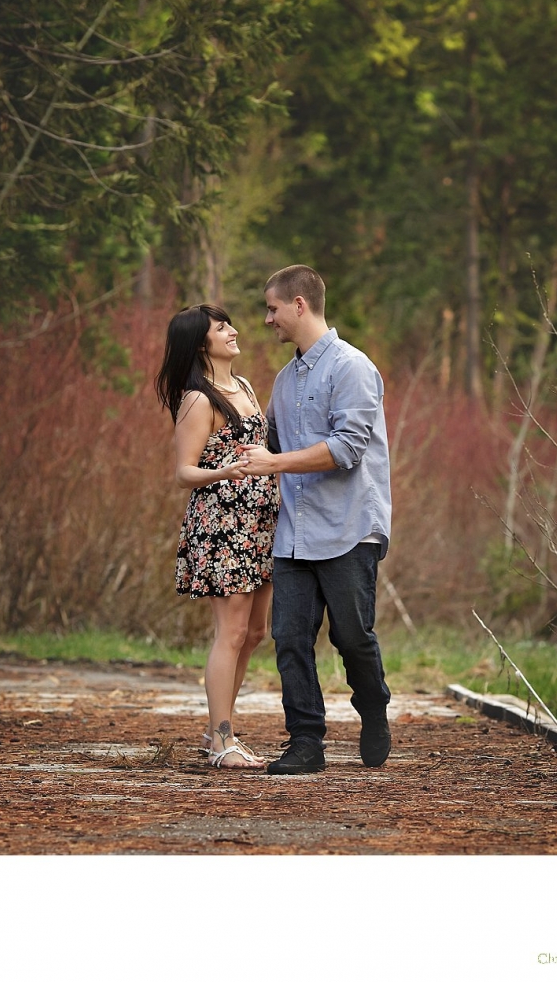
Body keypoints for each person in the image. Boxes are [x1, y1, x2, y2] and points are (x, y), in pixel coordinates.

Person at [239, 265, 392, 774]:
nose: (268, 320)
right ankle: (306, 741)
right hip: (295, 533)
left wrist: (275, 463)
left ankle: (373, 706)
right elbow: (268, 444)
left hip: (349, 528)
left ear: (299, 305)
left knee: (352, 638)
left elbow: (347, 449)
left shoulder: (353, 368)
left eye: (273, 309)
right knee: (289, 639)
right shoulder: (284, 381)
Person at [155, 304, 279, 770]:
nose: (233, 331)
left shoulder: (243, 386)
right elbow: (183, 472)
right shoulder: (197, 399)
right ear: (200, 344)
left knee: (255, 632)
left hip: (260, 523)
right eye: (221, 328)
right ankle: (223, 740)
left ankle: (216, 731)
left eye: (228, 324)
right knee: (231, 632)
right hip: (223, 526)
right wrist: (223, 471)